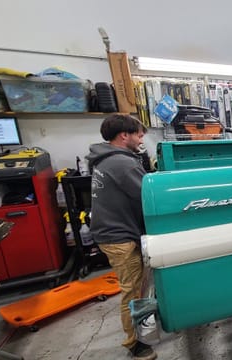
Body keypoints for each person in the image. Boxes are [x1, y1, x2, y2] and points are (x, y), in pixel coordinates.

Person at [85, 114, 156, 360]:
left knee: (137, 287)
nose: (141, 138)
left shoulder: (103, 158)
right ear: (123, 135)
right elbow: (150, 196)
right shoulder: (122, 164)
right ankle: (134, 343)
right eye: (138, 134)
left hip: (112, 232)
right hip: (119, 237)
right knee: (133, 290)